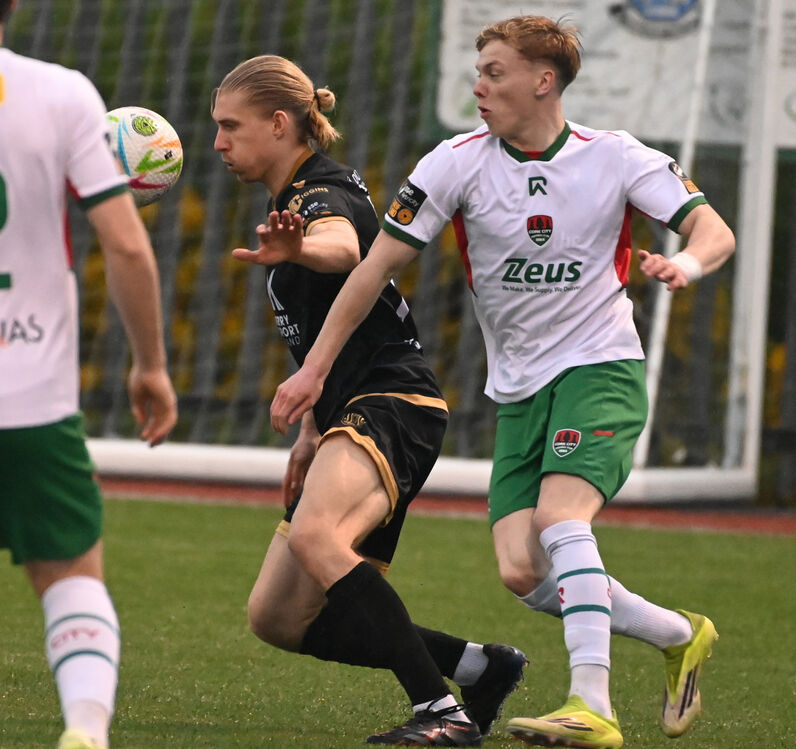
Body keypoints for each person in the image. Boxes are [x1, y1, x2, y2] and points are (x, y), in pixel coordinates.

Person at [269, 15, 735, 749]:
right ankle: (680, 633)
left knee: (561, 521)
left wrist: (687, 263)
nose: (479, 85)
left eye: (494, 72)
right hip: (518, 390)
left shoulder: (616, 156)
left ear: (544, 80)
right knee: (522, 570)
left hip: (600, 366)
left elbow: (713, 229)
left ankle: (591, 705)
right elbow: (373, 268)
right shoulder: (454, 163)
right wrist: (315, 370)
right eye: (478, 71)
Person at [212, 54, 527, 747]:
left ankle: (439, 714)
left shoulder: (320, 192)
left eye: (231, 126)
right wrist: (311, 432)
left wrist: (302, 250)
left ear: (279, 123)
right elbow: (324, 327)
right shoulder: (291, 200)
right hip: (352, 412)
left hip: (394, 401)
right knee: (278, 617)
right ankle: (482, 667)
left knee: (317, 536)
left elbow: (343, 248)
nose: (218, 143)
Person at [0, 2, 178, 748]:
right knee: (70, 573)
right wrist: (151, 365)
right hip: (29, 396)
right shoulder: (62, 93)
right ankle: (84, 727)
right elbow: (127, 249)